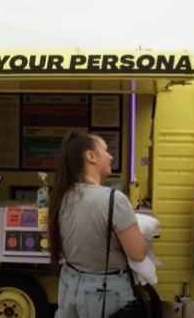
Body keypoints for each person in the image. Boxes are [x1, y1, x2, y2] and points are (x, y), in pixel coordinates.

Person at [48, 131, 148, 318]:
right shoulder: (113, 199)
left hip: (69, 282)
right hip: (105, 291)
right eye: (106, 150)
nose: (111, 156)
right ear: (91, 156)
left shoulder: (63, 195)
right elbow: (138, 253)